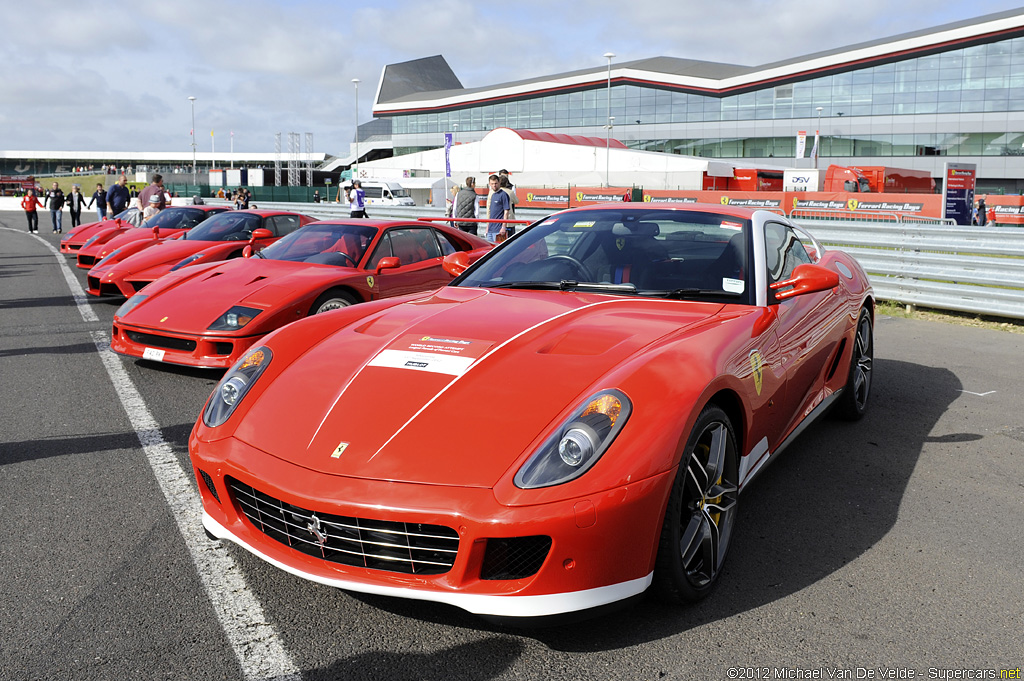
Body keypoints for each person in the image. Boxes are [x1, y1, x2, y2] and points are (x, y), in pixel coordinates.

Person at [486, 174, 510, 242]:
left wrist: (503, 227)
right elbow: (491, 212)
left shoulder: (504, 195)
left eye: (496, 183)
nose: (494, 185)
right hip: (490, 229)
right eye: (492, 183)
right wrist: (488, 226)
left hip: (498, 230)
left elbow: (506, 211)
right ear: (489, 184)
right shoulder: (493, 195)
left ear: (499, 182)